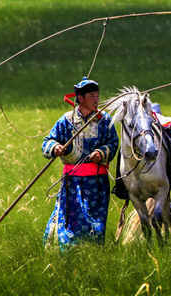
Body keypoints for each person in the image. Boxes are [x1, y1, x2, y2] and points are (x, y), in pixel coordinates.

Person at [42, 78, 119, 250]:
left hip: (97, 183)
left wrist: (101, 153)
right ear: (81, 98)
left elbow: (113, 143)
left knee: (96, 221)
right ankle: (68, 251)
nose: (96, 100)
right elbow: (47, 141)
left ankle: (93, 254)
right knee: (72, 220)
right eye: (92, 96)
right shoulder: (66, 121)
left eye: (97, 96)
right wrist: (56, 148)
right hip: (72, 183)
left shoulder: (105, 120)